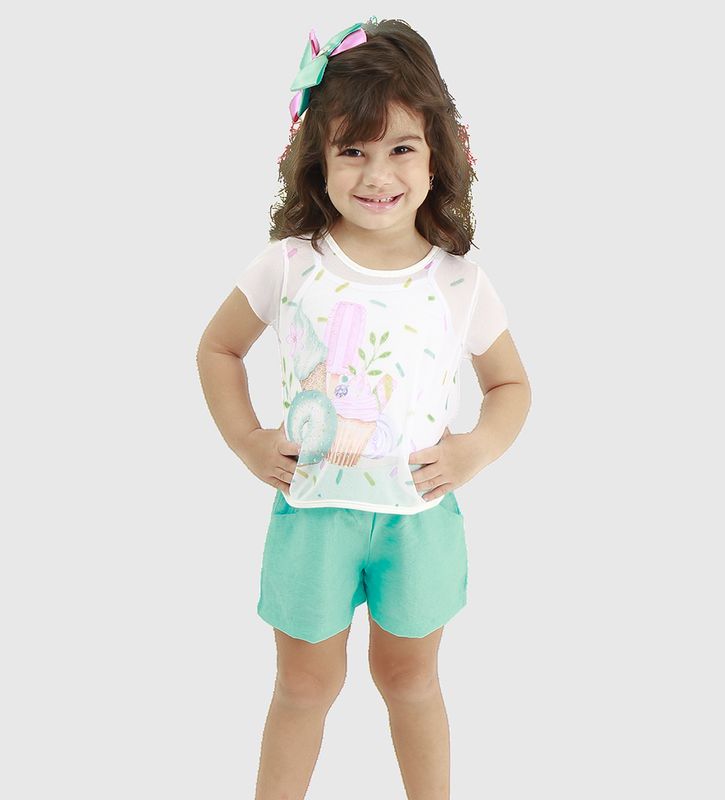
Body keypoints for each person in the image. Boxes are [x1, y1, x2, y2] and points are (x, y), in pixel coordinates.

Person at [196, 16, 531, 800]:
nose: (377, 174)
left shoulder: (458, 281)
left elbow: (512, 386)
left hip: (419, 520)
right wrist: (247, 440)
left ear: (438, 152)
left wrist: (474, 450)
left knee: (411, 680)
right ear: (317, 156)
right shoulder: (290, 264)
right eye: (353, 149)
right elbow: (218, 348)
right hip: (313, 516)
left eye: (401, 148)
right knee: (303, 686)